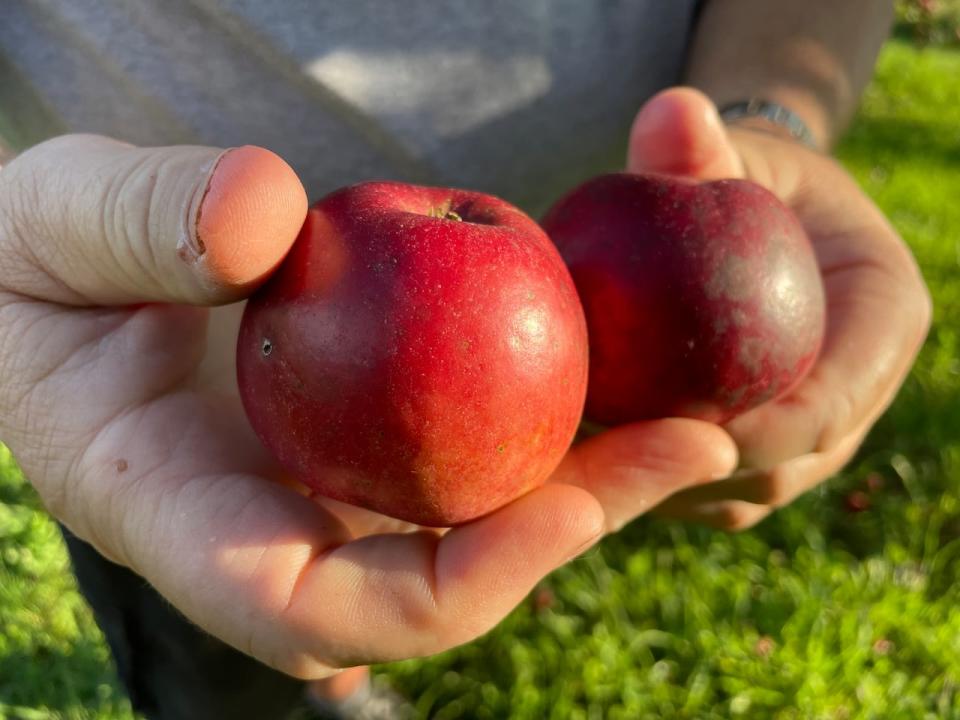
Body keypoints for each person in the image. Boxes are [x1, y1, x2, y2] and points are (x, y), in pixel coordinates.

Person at [0, 1, 930, 718]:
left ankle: (342, 693)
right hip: (145, 366)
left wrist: (769, 124)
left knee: (315, 612)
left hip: (598, 299)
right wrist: (12, 250)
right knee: (214, 658)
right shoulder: (141, 381)